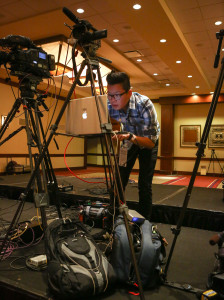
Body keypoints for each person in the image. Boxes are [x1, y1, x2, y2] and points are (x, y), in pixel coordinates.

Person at [106, 71, 160, 220]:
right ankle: (114, 216)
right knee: (118, 179)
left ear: (129, 93)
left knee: (144, 184)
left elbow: (150, 143)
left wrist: (131, 136)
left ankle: (144, 221)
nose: (112, 100)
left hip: (147, 140)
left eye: (117, 95)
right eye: (109, 95)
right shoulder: (109, 103)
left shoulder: (144, 104)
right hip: (128, 138)